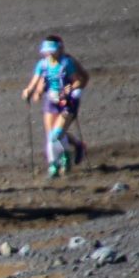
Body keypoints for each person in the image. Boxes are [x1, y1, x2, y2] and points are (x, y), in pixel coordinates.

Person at [22, 35, 89, 178]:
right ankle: (54, 164)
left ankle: (65, 157)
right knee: (51, 135)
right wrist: (30, 91)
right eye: (47, 51)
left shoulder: (67, 63)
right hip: (51, 101)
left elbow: (79, 80)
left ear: (60, 49)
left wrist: (70, 88)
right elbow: (36, 81)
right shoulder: (43, 64)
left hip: (67, 102)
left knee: (56, 134)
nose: (49, 53)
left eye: (52, 50)